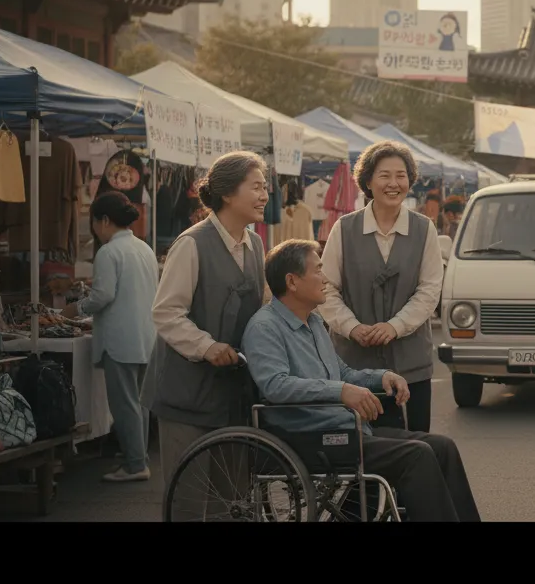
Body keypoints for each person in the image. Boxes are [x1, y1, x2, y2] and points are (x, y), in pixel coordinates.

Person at [243, 240, 480, 522]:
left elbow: (341, 373)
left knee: (443, 448)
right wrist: (341, 392)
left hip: (343, 429)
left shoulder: (315, 322)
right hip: (307, 436)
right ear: (292, 282)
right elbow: (276, 386)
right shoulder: (264, 327)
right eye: (317, 270)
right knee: (417, 456)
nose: (325, 278)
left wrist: (382, 377)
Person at [147, 151, 270, 489]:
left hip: (233, 392)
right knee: (189, 496)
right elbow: (166, 312)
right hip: (188, 393)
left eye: (265, 187)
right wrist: (207, 345)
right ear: (228, 193)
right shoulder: (191, 244)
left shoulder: (255, 245)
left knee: (231, 497)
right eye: (256, 187)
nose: (264, 196)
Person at [318, 141, 443, 433]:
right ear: (368, 181)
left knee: (414, 449)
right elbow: (326, 289)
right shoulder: (344, 229)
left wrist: (395, 327)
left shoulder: (424, 229)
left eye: (401, 175)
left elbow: (429, 290)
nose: (394, 183)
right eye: (385, 175)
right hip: (354, 366)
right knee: (362, 454)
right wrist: (352, 327)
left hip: (410, 364)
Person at [61, 192, 158, 482]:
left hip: (120, 339)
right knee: (138, 402)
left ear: (103, 220)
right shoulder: (144, 248)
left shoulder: (109, 252)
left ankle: (135, 464)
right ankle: (136, 454)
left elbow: (103, 295)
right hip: (146, 335)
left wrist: (75, 309)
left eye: (93, 221)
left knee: (125, 403)